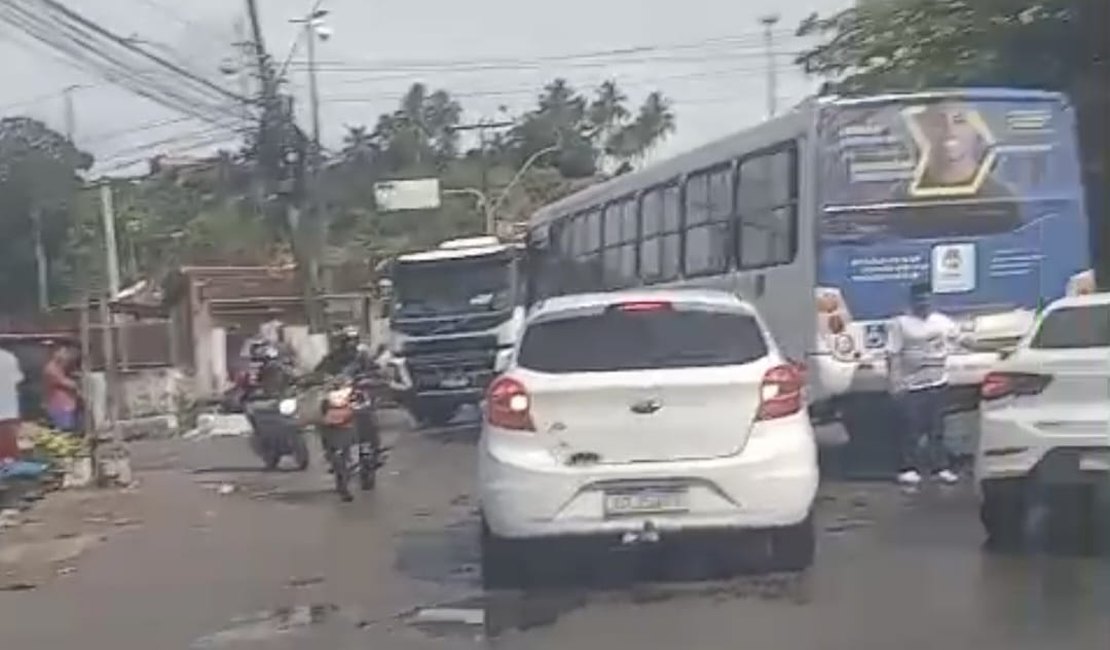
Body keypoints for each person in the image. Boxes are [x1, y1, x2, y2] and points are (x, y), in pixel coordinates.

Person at [887, 282, 962, 487]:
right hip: (912, 386)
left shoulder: (942, 322)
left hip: (938, 383)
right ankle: (907, 468)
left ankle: (940, 467)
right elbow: (893, 355)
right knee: (911, 428)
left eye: (927, 298)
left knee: (937, 429)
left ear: (932, 298)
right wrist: (895, 382)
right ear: (912, 300)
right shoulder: (900, 324)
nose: (924, 302)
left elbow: (961, 340)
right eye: (919, 298)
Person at [42, 343, 80, 434]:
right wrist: (77, 384)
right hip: (60, 407)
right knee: (64, 433)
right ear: (55, 353)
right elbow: (66, 383)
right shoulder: (51, 369)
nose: (65, 355)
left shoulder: (60, 367)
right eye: (63, 352)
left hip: (67, 406)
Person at [0, 346, 23, 461]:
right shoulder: (9, 357)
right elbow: (17, 380)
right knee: (9, 458)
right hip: (9, 412)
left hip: (8, 412)